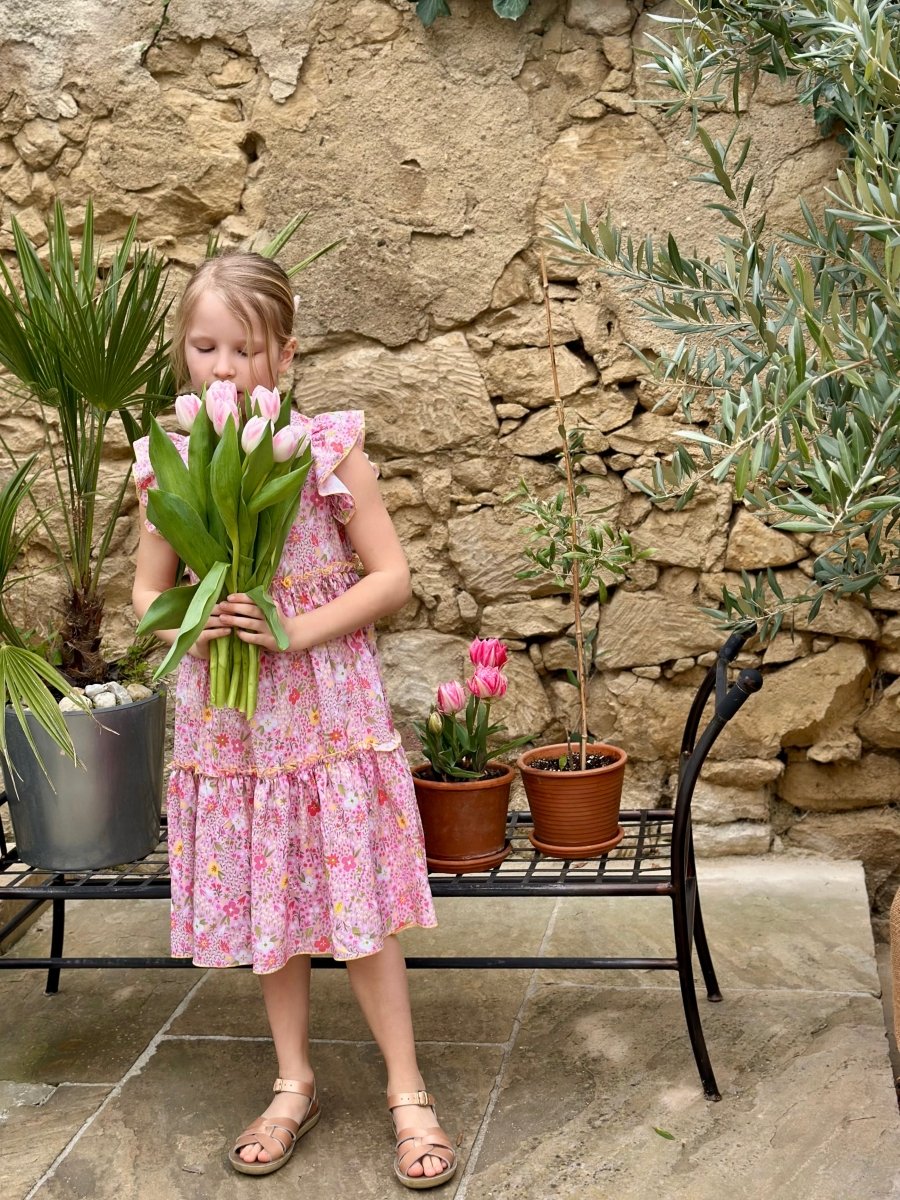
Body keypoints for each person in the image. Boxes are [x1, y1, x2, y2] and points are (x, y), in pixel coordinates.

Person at [131, 252, 456, 1188]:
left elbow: (393, 577)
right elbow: (148, 597)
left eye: (245, 348)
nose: (223, 368)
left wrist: (291, 629)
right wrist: (199, 627)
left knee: (356, 906)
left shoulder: (321, 446)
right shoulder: (170, 464)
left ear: (285, 350)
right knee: (272, 900)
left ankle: (407, 1090)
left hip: (325, 709)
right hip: (233, 720)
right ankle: (293, 1081)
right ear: (183, 353)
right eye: (204, 347)